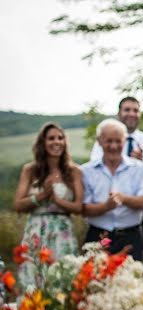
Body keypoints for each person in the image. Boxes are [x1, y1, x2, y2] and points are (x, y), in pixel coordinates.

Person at [90, 96, 143, 262]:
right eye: (127, 110)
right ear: (119, 113)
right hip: (105, 212)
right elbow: (95, 169)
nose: (131, 114)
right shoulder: (102, 142)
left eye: (135, 110)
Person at [13, 123, 83, 288]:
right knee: (34, 280)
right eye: (51, 138)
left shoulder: (73, 171)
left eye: (60, 138)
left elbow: (79, 207)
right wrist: (42, 196)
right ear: (43, 142)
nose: (56, 142)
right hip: (36, 231)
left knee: (63, 279)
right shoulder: (30, 170)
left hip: (62, 231)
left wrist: (58, 201)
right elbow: (18, 204)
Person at [81, 119, 143, 261]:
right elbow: (83, 209)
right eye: (109, 141)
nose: (113, 146)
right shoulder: (86, 171)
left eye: (118, 141)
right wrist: (105, 206)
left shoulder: (139, 168)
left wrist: (124, 199)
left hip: (131, 238)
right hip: (97, 237)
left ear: (125, 141)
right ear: (99, 141)